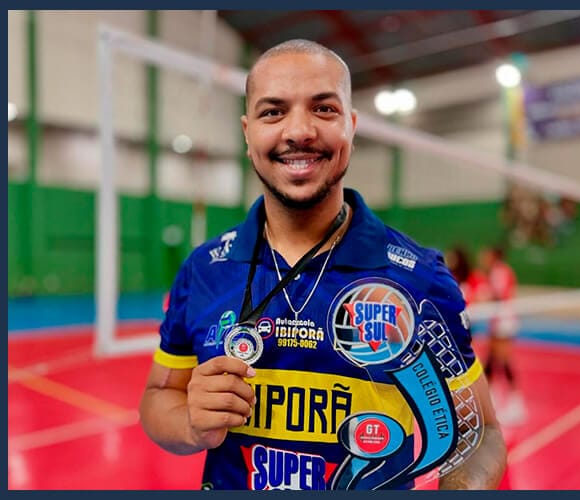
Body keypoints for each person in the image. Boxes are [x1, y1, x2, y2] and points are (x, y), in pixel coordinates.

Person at [139, 39, 506, 490]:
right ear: (247, 131)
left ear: (350, 125)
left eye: (324, 109)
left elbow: (480, 430)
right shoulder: (204, 271)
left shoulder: (419, 278)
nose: (299, 131)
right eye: (273, 112)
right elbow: (159, 399)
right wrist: (191, 424)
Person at [479, 246, 526, 425]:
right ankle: (491, 401)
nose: (483, 257)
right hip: (497, 320)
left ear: (493, 255)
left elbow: (498, 296)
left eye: (486, 254)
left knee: (503, 361)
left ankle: (516, 404)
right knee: (491, 361)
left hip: (503, 321)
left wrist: (483, 297)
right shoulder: (495, 272)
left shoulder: (500, 272)